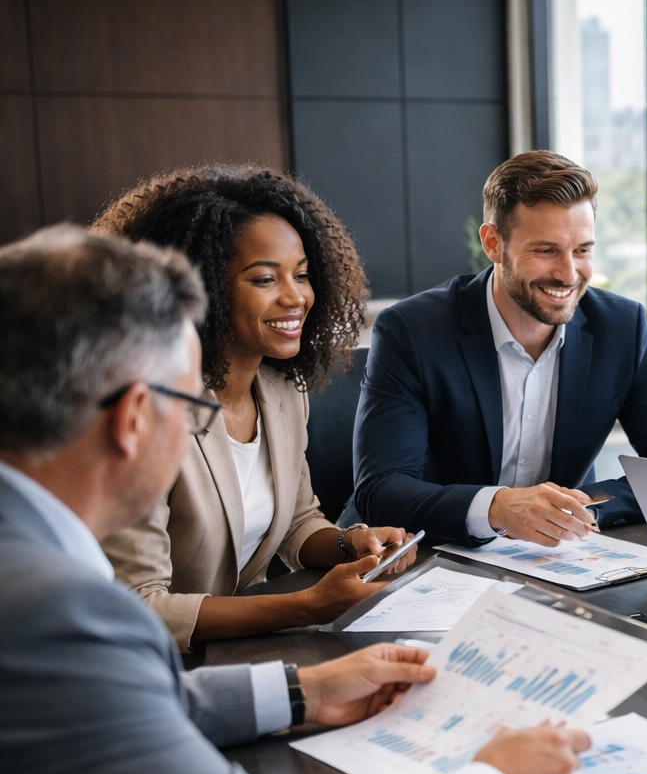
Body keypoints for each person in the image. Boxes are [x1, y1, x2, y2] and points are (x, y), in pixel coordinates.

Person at [0, 226, 590, 774]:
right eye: (189, 404)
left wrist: (298, 690)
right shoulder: (52, 616)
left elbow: (100, 707)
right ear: (134, 420)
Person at [92, 167, 416, 651]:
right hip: (156, 664)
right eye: (265, 278)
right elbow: (140, 605)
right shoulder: (145, 416)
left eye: (302, 275)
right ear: (199, 289)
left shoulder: (283, 390)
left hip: (249, 647)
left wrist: (353, 544)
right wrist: (306, 606)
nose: (296, 297)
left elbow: (298, 521)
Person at [351, 150, 647, 546]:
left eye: (582, 250)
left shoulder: (621, 328)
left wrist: (574, 508)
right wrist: (498, 508)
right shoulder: (411, 331)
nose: (568, 273)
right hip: (430, 552)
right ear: (493, 244)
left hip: (557, 558)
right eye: (546, 251)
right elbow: (381, 491)